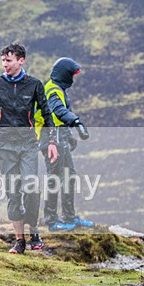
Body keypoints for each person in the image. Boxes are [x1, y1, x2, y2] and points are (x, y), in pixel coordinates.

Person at [0, 43, 58, 255]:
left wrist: (51, 142)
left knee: (31, 188)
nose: (5, 65)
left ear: (21, 60)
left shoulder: (34, 85)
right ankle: (20, 241)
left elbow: (47, 114)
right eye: (3, 60)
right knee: (13, 192)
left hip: (28, 143)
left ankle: (34, 232)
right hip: (4, 145)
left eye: (9, 60)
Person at [36, 57, 94, 231]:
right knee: (55, 178)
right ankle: (51, 221)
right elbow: (59, 111)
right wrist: (76, 122)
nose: (74, 79)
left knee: (69, 176)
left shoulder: (59, 89)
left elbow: (58, 117)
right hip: (49, 138)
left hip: (59, 136)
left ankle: (69, 217)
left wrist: (68, 135)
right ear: (64, 74)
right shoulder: (52, 90)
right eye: (72, 75)